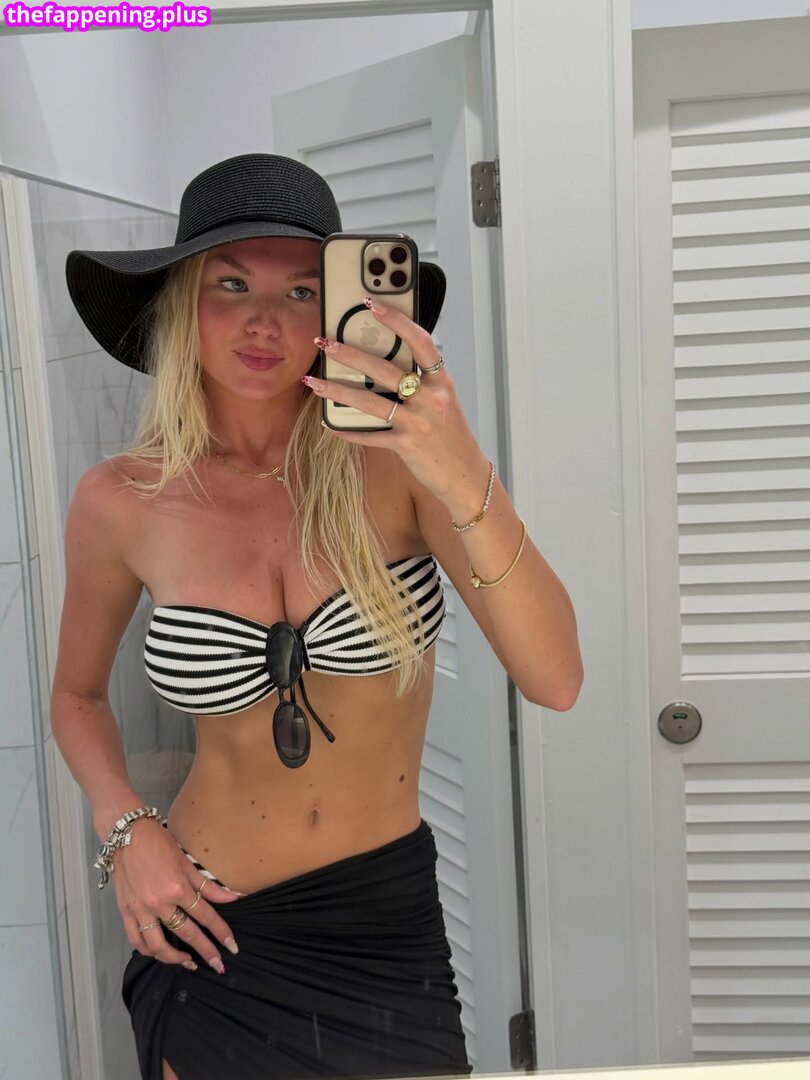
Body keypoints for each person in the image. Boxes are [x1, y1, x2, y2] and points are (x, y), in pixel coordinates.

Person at [51, 153, 583, 1080]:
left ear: (340, 310)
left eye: (302, 290)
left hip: (383, 930)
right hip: (209, 928)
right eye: (231, 284)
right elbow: (76, 697)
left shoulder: (402, 473)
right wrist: (126, 829)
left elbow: (557, 679)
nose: (265, 321)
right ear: (182, 303)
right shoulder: (121, 500)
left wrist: (460, 466)